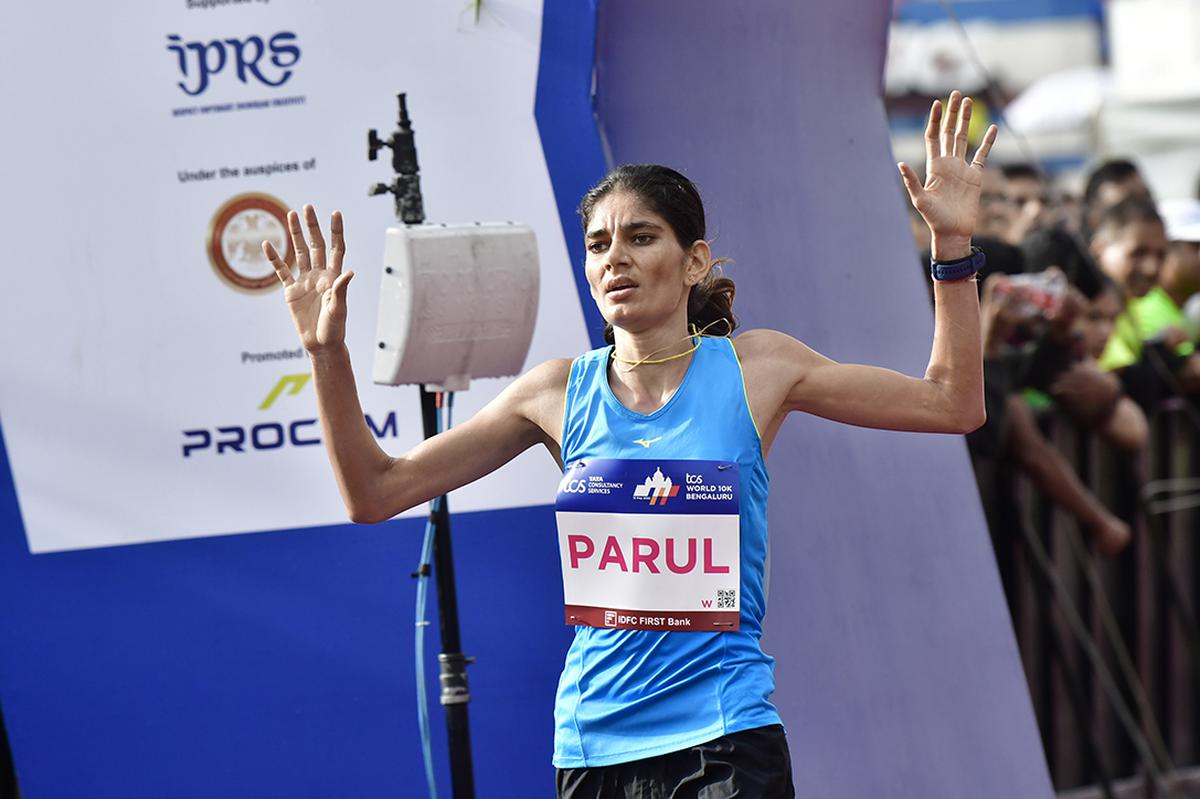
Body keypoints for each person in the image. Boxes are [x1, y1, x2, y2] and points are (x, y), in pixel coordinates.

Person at [262, 91, 997, 798]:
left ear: (694, 260)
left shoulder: (760, 367)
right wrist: (325, 353)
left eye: (641, 236)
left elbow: (951, 403)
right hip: (593, 743)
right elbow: (375, 491)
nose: (615, 257)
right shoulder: (553, 392)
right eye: (598, 243)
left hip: (726, 734)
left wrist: (952, 245)